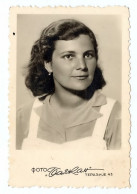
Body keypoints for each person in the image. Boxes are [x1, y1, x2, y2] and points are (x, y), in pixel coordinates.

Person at [16, 19, 121, 150]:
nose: (82, 66)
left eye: (88, 55)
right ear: (48, 64)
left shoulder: (116, 114)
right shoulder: (24, 115)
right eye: (69, 56)